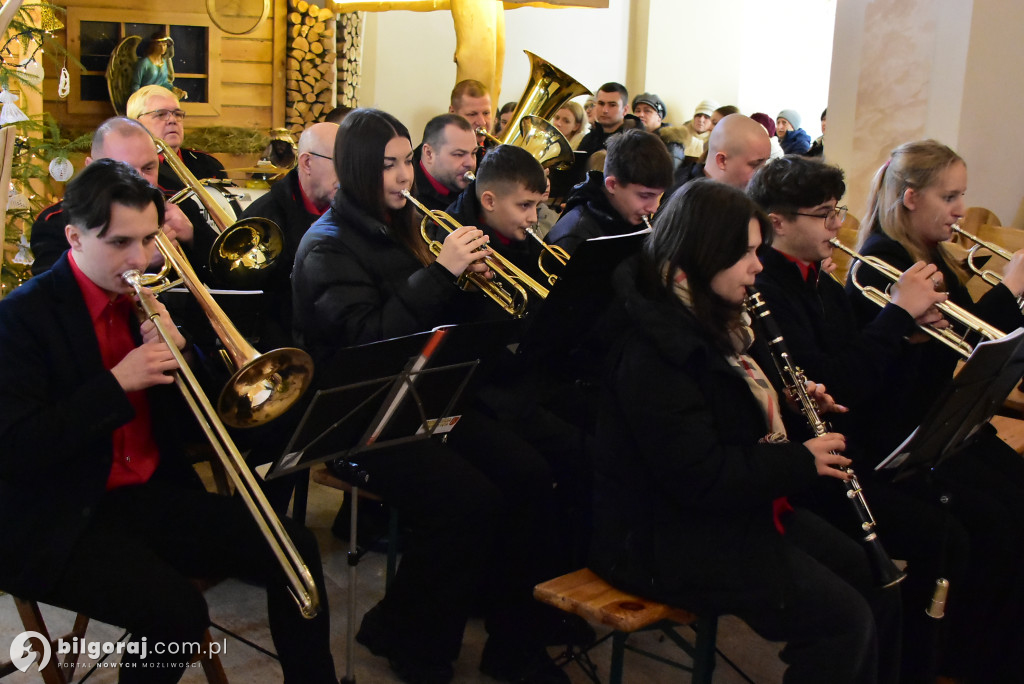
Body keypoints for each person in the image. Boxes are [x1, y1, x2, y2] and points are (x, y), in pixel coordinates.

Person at [0, 159, 337, 684]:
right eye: (119, 243)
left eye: (149, 239)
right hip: (57, 514)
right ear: (74, 237)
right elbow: (18, 449)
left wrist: (186, 364)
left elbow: (198, 426)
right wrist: (117, 384)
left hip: (145, 494)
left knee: (295, 551)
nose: (139, 259)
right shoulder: (20, 319)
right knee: (176, 614)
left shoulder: (147, 304)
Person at [292, 108, 580, 684]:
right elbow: (369, 341)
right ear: (352, 169)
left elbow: (437, 328)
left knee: (527, 473)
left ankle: (509, 638)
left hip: (425, 395)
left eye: (405, 162)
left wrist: (480, 283)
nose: (404, 177)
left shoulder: (404, 225)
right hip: (361, 413)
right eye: (388, 166)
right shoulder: (325, 246)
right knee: (467, 501)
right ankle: (416, 643)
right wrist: (442, 275)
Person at [591, 178, 901, 684]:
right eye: (748, 254)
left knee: (871, 580)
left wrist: (794, 407)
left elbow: (731, 416)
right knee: (843, 623)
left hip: (732, 512)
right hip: (662, 538)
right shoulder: (653, 348)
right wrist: (802, 460)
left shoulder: (718, 318)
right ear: (705, 253)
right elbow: (699, 475)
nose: (760, 266)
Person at [747, 155, 972, 682]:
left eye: (838, 211)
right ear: (778, 222)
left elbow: (859, 378)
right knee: (938, 537)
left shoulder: (823, 285)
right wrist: (894, 318)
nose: (838, 225)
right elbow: (839, 378)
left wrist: (914, 336)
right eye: (823, 214)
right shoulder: (769, 290)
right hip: (812, 470)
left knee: (956, 527)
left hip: (859, 447)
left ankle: (929, 662)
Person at [847, 140, 1024, 681]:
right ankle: (969, 655)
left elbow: (974, 335)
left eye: (961, 195)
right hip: (901, 438)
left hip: (939, 425)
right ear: (909, 198)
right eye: (949, 196)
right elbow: (973, 341)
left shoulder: (929, 255)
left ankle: (994, 650)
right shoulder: (886, 263)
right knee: (999, 521)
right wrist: (1012, 289)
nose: (960, 210)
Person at [30, 117, 194, 277]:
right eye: (125, 170)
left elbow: (216, 277)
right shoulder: (57, 222)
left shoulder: (178, 206)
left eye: (148, 168)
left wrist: (194, 238)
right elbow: (55, 290)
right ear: (91, 169)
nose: (140, 180)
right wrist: (139, 261)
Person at [240, 121, 338, 349]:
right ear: (307, 163)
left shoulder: (354, 207)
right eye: (340, 162)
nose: (350, 173)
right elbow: (254, 308)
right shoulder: (263, 219)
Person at [547, 128, 672, 256]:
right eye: (645, 196)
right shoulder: (575, 237)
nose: (654, 208)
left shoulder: (629, 218)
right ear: (612, 185)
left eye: (659, 196)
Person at [444, 144, 547, 294]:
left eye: (536, 205)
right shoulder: (452, 235)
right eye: (525, 205)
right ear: (490, 202)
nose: (534, 218)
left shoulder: (521, 234)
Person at [126, 86, 227, 191]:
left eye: (177, 114)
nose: (173, 120)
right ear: (136, 125)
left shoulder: (209, 165)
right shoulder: (127, 171)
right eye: (161, 114)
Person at [685, 113, 771, 191]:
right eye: (755, 165)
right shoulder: (687, 202)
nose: (763, 175)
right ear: (722, 161)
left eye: (765, 164)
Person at [412, 113, 477, 213]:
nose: (471, 163)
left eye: (473, 153)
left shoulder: (477, 186)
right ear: (429, 153)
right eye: (459, 154)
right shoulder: (409, 198)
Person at [576, 82, 639, 156]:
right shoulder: (589, 139)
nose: (605, 110)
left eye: (612, 105)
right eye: (601, 104)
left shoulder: (637, 142)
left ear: (625, 110)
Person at [449, 79, 493, 149]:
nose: (482, 122)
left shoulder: (494, 148)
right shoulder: (439, 152)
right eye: (472, 114)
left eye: (486, 113)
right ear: (452, 113)